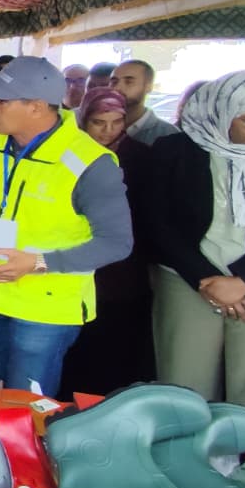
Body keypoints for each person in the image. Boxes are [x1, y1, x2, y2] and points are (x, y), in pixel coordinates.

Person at [0, 57, 133, 398]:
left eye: (2, 101)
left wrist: (38, 262)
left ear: (36, 108)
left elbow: (116, 243)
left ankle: (20, 453)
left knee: (28, 404)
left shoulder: (90, 163)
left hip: (45, 308)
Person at [145, 71, 245, 418]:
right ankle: (187, 462)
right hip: (188, 281)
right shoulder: (173, 152)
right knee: (184, 383)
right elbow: (156, 223)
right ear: (222, 111)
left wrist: (242, 281)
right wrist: (205, 278)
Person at [57, 87, 155, 396]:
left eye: (116, 122)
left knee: (116, 338)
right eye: (100, 122)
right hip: (77, 259)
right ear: (84, 118)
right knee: (77, 341)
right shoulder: (69, 153)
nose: (108, 130)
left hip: (124, 266)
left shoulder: (139, 155)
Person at [109, 59, 177, 146]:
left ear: (149, 86)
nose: (117, 88)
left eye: (128, 82)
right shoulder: (94, 128)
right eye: (114, 82)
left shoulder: (170, 135)